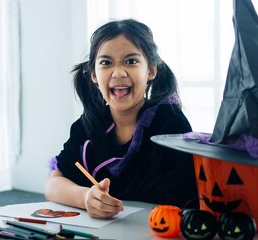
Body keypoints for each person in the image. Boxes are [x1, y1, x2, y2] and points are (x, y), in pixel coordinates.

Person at [45, 19, 197, 219]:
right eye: (106, 63)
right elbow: (54, 183)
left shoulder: (170, 122)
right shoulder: (87, 125)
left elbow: (186, 196)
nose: (118, 72)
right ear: (93, 74)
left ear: (151, 70)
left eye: (131, 61)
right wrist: (84, 197)